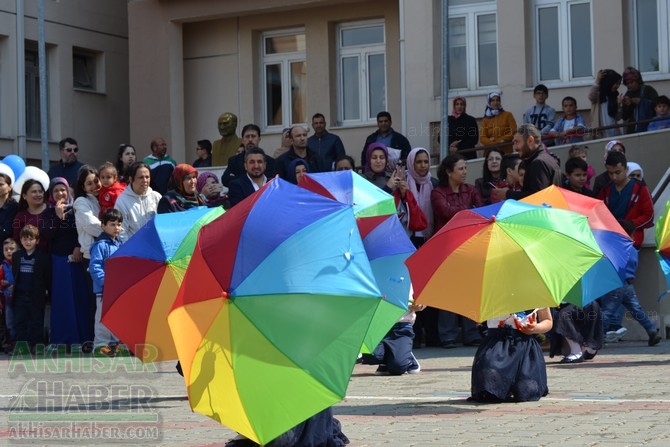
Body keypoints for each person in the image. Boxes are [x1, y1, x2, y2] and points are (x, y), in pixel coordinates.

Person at [431, 154, 484, 348]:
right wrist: (467, 211)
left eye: (465, 168)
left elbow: (480, 211)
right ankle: (448, 335)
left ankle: (471, 332)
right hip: (446, 246)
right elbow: (444, 211)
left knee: (468, 289)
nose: (465, 172)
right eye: (460, 168)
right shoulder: (438, 192)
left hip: (469, 244)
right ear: (448, 172)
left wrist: (465, 212)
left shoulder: (471, 190)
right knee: (448, 292)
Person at [600, 220, 662, 347]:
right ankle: (651, 329)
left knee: (607, 311)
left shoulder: (613, 246)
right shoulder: (631, 248)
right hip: (628, 284)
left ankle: (598, 338)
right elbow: (634, 263)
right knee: (636, 309)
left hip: (615, 283)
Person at [470, 307, 553, 402]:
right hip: (496, 344)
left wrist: (535, 328)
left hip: (525, 347)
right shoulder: (491, 294)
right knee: (489, 385)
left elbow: (547, 321)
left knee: (528, 391)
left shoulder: (538, 293)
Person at [48, 177, 90, 348]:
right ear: (51, 193)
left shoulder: (76, 209)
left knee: (79, 299)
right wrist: (58, 217)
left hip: (76, 260)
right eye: (56, 190)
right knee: (61, 299)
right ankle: (61, 339)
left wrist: (78, 246)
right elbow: (48, 237)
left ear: (69, 190)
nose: (60, 193)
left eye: (63, 189)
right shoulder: (48, 212)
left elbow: (81, 231)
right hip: (57, 260)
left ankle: (81, 338)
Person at [73, 165, 103, 350]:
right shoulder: (81, 202)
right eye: (89, 183)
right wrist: (115, 231)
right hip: (91, 256)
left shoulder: (105, 199)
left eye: (96, 181)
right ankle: (93, 340)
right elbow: (92, 226)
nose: (94, 186)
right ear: (83, 187)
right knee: (94, 301)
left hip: (108, 254)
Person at [490, 124, 561, 202]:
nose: (515, 148)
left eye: (517, 142)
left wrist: (508, 194)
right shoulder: (548, 158)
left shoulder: (538, 162)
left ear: (530, 140)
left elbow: (537, 198)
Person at [598, 151, 653, 248]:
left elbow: (649, 215)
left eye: (618, 172)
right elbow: (599, 215)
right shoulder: (605, 190)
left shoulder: (640, 188)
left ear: (626, 169)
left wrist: (630, 225)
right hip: (611, 241)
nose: (614, 177)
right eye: (610, 173)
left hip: (631, 241)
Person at [89, 208, 124, 357]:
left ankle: (116, 345)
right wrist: (105, 282)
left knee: (117, 318)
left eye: (118, 224)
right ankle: (100, 346)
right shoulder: (100, 245)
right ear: (103, 225)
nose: (116, 227)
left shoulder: (120, 244)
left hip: (117, 290)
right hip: (104, 291)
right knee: (102, 320)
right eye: (112, 224)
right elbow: (94, 266)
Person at [359, 298, 425, 375]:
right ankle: (389, 357)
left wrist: (421, 304)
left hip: (400, 326)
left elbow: (424, 296)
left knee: (397, 368)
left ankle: (407, 356)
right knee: (370, 356)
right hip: (376, 326)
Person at [11, 224, 51, 352]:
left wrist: (46, 292)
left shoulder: (43, 257)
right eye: (24, 239)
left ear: (37, 240)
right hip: (20, 295)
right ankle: (21, 346)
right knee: (19, 322)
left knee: (36, 321)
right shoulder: (17, 256)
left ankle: (37, 345)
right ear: (20, 240)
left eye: (31, 239)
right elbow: (15, 273)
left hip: (36, 295)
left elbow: (46, 277)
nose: (27, 242)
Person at [115, 162, 162, 239]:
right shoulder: (122, 201)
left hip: (155, 246)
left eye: (147, 177)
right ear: (131, 179)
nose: (145, 180)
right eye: (141, 177)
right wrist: (130, 250)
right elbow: (121, 232)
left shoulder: (157, 196)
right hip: (134, 248)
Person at [12, 179, 57, 253]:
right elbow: (17, 240)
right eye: (34, 192)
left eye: (40, 191)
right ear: (24, 196)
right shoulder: (20, 216)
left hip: (53, 256)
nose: (38, 194)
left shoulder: (53, 210)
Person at [621, 66, 658, 134]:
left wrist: (641, 101)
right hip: (632, 130)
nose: (629, 85)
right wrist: (627, 105)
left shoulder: (648, 90)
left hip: (649, 128)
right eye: (627, 83)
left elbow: (658, 105)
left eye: (631, 82)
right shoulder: (628, 94)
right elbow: (625, 116)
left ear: (638, 80)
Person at [588, 69, 622, 138]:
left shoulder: (614, 96)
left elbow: (618, 117)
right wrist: (597, 80)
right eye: (616, 83)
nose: (617, 86)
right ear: (609, 82)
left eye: (619, 83)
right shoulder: (598, 96)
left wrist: (618, 104)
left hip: (614, 133)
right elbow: (591, 96)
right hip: (601, 134)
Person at [0, 238, 17, 353]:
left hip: (20, 298)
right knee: (9, 323)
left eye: (12, 249)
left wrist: (15, 285)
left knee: (20, 322)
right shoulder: (2, 266)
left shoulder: (20, 264)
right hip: (7, 299)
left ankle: (20, 344)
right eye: (6, 250)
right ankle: (10, 344)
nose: (9, 252)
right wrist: (2, 283)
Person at [0, 171, 18, 243]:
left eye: (1, 184)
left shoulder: (14, 207)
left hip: (6, 249)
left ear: (10, 187)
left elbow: (7, 231)